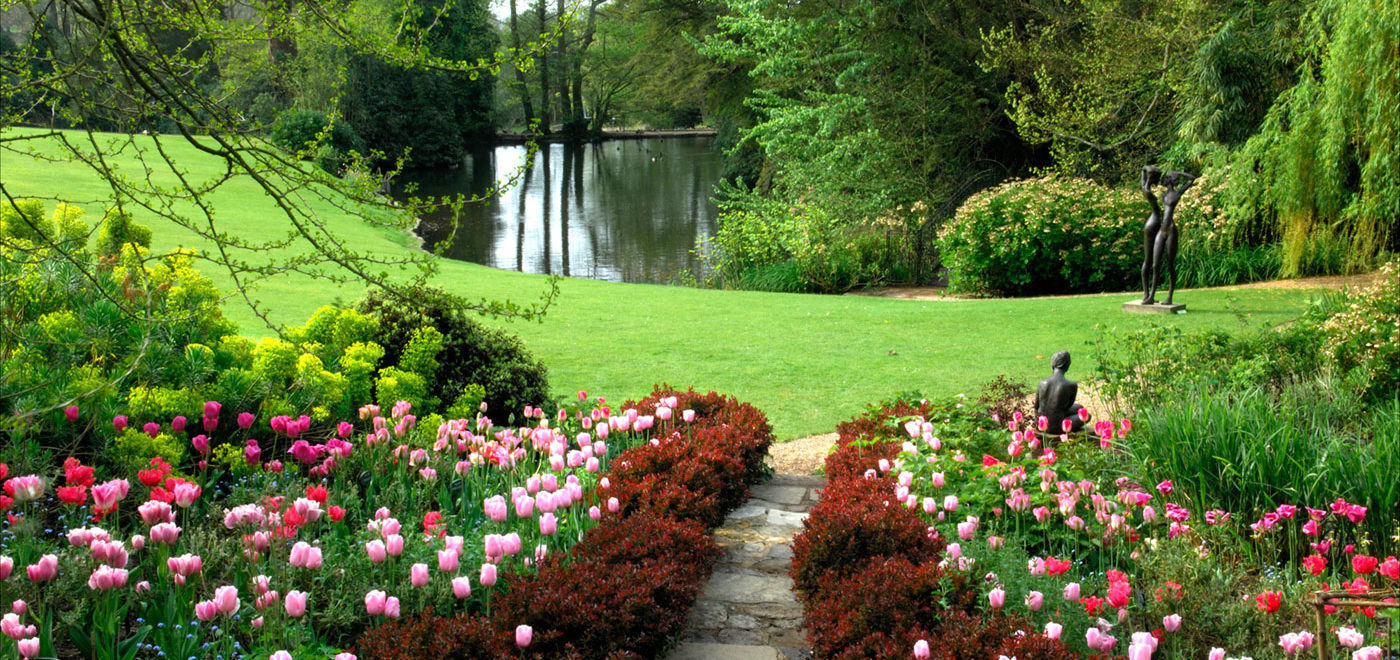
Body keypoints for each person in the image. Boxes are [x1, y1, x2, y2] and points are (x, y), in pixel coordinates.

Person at [1145, 171, 1195, 305]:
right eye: (1175, 178)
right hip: (1162, 230)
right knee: (1155, 265)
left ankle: (1169, 297)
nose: (1177, 180)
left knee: (1170, 264)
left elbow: (1191, 178)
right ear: (1169, 180)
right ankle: (1150, 296)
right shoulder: (1163, 195)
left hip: (1171, 230)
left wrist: (1178, 172)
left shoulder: (1178, 193)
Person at [1035, 351, 1088, 436]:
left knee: (1080, 408)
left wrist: (1036, 421)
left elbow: (1036, 406)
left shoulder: (1042, 382)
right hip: (1058, 427)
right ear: (1067, 366)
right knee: (1087, 415)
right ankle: (1069, 430)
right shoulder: (1071, 385)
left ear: (1053, 365)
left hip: (1041, 422)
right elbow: (1068, 406)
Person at [1139, 166, 1163, 303]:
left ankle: (1146, 294)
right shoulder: (1148, 191)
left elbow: (1143, 172)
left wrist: (1145, 169)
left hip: (1151, 223)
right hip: (1154, 223)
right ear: (1153, 177)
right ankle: (1148, 295)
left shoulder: (1144, 187)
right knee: (1152, 262)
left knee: (1148, 261)